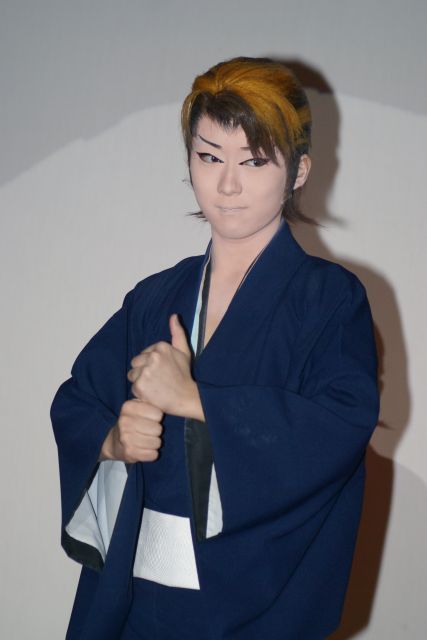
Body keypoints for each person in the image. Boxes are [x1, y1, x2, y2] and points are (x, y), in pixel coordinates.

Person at [51, 56, 380, 640]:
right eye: (209, 157)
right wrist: (111, 440)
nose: (228, 185)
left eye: (254, 161)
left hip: (253, 603)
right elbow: (78, 400)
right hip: (134, 598)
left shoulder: (329, 299)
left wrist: (198, 401)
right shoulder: (155, 297)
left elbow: (340, 425)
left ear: (299, 170)